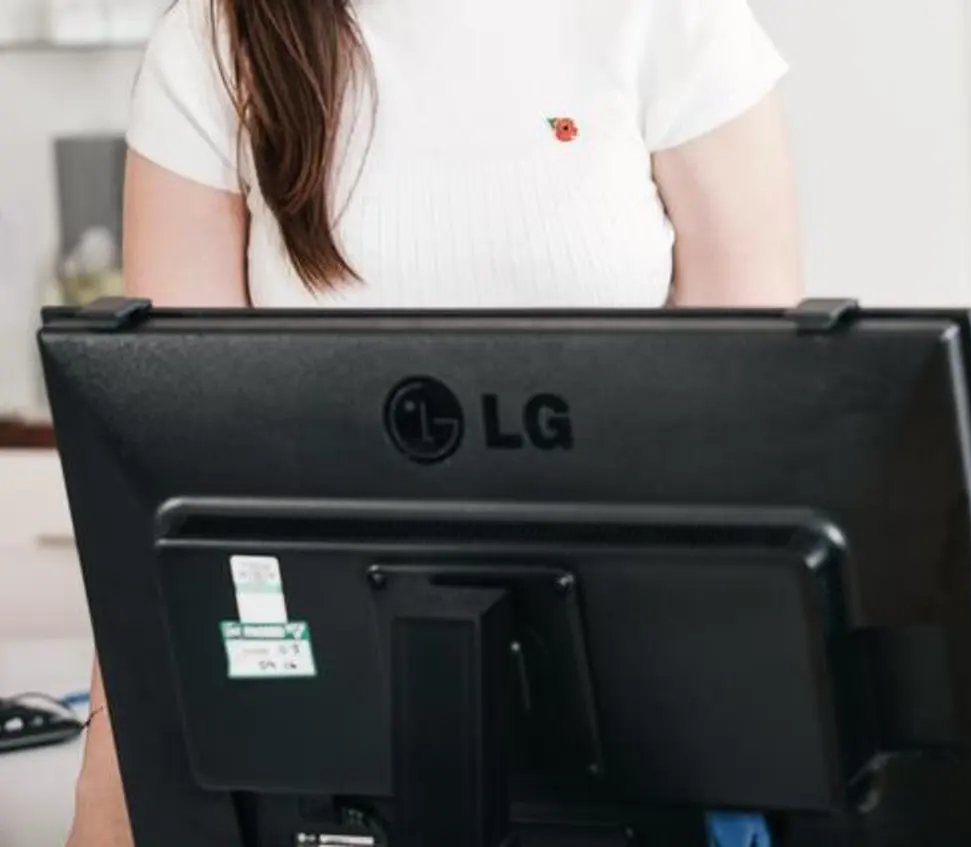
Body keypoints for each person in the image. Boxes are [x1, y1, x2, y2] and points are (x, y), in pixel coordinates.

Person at [68, 0, 799, 844]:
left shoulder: (673, 21)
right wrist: (108, 780)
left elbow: (760, 431)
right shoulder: (216, 40)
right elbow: (163, 479)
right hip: (329, 707)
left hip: (644, 697)